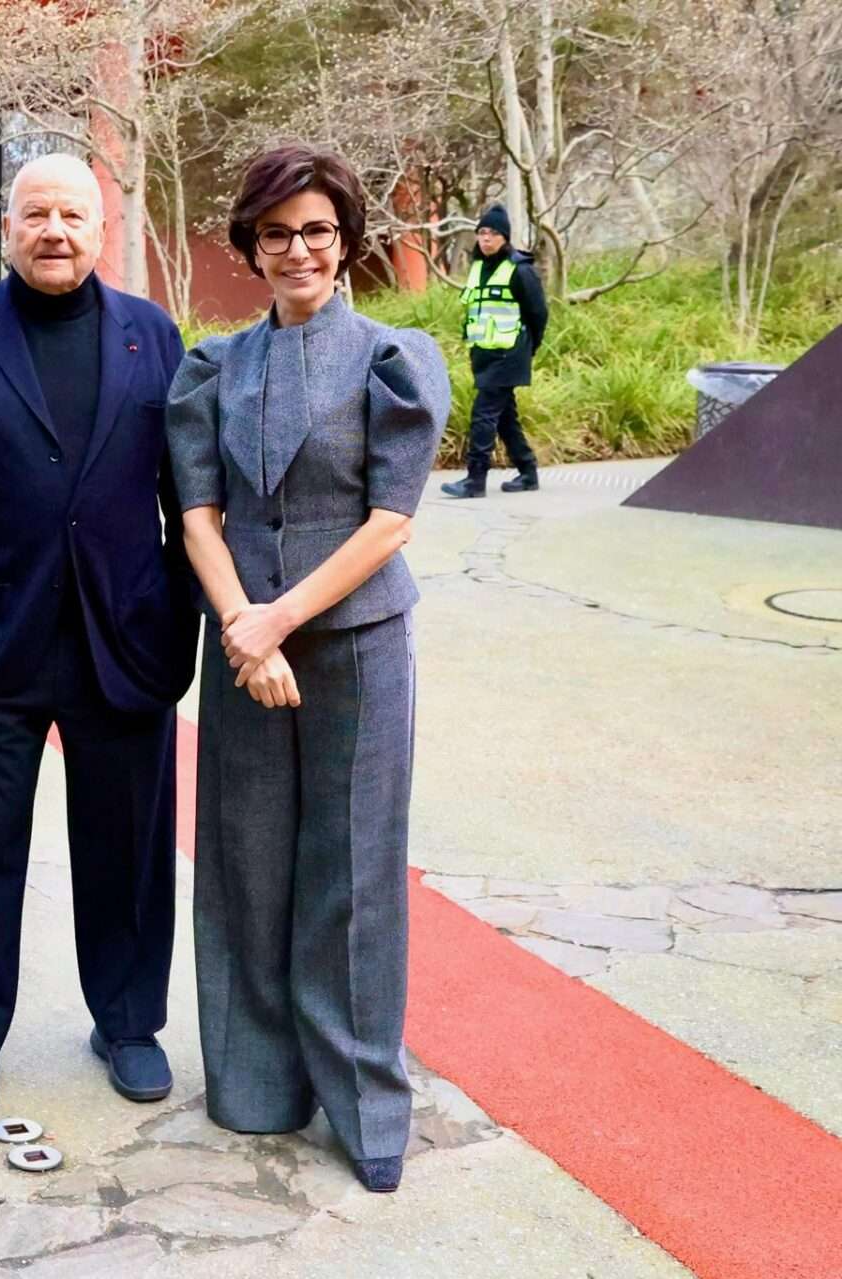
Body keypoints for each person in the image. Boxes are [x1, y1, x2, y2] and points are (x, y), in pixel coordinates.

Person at [165, 144, 448, 1194]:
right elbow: (195, 513)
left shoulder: (391, 357)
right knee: (245, 861)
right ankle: (253, 1080)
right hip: (241, 640)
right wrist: (243, 625)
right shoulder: (213, 366)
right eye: (277, 232)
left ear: (345, 241)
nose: (298, 250)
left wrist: (280, 618)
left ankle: (368, 1099)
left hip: (357, 642)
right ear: (250, 243)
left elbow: (392, 520)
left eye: (317, 231)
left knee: (354, 869)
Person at [0, 154, 198, 1128]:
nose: (55, 230)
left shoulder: (153, 336)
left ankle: (128, 1021)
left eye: (74, 214)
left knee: (129, 851)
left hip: (124, 643)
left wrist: (177, 618)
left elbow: (188, 497)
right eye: (36, 214)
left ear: (103, 229)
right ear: (9, 226)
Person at [441, 203, 548, 497]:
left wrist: (528, 349)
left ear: (505, 237)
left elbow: (538, 314)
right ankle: (528, 473)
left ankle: (475, 480)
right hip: (484, 354)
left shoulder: (519, 269)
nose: (486, 239)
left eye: (493, 233)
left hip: (509, 354)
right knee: (504, 418)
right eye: (482, 233)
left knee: (483, 415)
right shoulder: (477, 267)